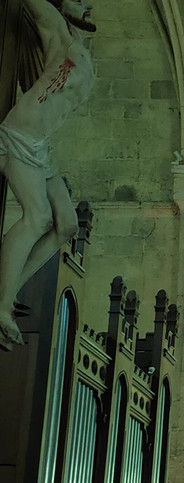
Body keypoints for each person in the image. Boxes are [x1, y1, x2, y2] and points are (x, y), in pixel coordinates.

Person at [0, 0, 96, 350]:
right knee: (37, 217)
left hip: (41, 145)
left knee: (67, 224)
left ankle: (8, 290)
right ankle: (0, 305)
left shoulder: (80, 50)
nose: (88, 6)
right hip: (22, 134)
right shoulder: (56, 30)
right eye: (80, 1)